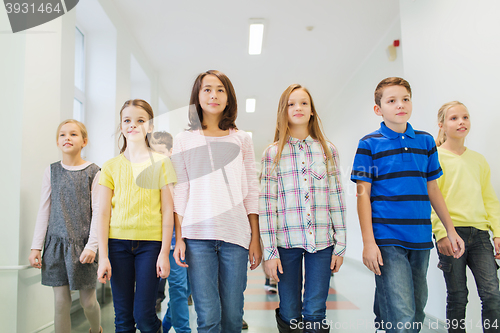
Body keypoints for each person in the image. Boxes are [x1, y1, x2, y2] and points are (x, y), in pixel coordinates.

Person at [351, 77, 465, 333]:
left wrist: (450, 229)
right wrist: (369, 242)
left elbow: (433, 189)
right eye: (391, 101)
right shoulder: (368, 144)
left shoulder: (425, 142)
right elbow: (362, 194)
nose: (400, 105)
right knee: (402, 314)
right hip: (388, 238)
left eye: (405, 99)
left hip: (421, 237)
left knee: (416, 309)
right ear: (378, 109)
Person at [172, 70, 261, 333]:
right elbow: (181, 190)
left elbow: (251, 190)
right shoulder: (183, 139)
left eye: (220, 89)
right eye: (207, 89)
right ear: (197, 97)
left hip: (236, 237)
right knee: (208, 318)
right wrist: (179, 238)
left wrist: (255, 237)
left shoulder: (242, 138)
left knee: (233, 317)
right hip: (197, 238)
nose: (213, 95)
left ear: (229, 97)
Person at [260, 84, 346, 333]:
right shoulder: (273, 154)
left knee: (316, 310)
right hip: (286, 244)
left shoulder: (327, 151)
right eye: (291, 103)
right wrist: (270, 252)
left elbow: (337, 198)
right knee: (289, 309)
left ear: (311, 111)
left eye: (304, 103)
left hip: (322, 244)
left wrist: (340, 244)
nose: (298, 108)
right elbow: (267, 204)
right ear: (283, 111)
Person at [97, 99, 176, 333]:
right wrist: (103, 256)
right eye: (127, 120)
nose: (133, 125)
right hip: (117, 246)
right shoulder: (110, 166)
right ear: (121, 126)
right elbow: (102, 213)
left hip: (150, 247)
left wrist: (164, 253)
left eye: (140, 120)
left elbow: (168, 212)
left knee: (144, 316)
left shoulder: (162, 163)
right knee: (122, 319)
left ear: (150, 126)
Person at [28, 119, 102, 333]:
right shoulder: (51, 171)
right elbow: (44, 210)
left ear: (84, 141)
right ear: (57, 141)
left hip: (83, 247)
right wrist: (36, 247)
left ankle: (95, 329)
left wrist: (92, 246)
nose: (67, 138)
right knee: (61, 303)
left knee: (88, 302)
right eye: (62, 135)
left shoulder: (94, 171)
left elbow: (99, 212)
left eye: (73, 134)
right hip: (55, 246)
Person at [432, 101, 500, 333]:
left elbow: (489, 198)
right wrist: (441, 233)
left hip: (480, 236)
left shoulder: (479, 160)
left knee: (492, 295)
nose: (461, 122)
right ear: (441, 125)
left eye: (465, 117)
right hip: (452, 235)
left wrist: (498, 233)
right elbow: (431, 199)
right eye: (454, 118)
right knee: (458, 296)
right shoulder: (435, 158)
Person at [150, 131, 192, 333]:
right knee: (178, 289)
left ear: (171, 152)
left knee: (187, 289)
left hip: (183, 240)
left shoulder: (179, 176)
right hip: (160, 241)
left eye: (162, 153)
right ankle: (183, 330)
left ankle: (166, 324)